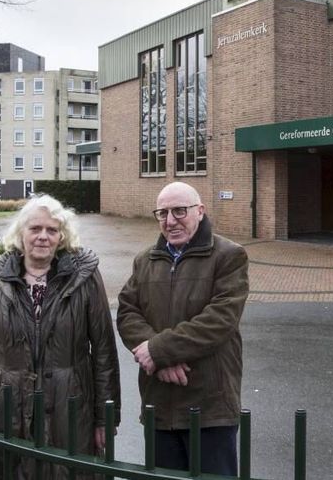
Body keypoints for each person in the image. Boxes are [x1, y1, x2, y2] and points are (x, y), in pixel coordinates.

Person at [0, 194, 120, 479]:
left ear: (62, 236)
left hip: (70, 411)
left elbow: (103, 353)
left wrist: (105, 420)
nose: (43, 237)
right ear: (20, 233)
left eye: (52, 230)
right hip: (8, 410)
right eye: (35, 229)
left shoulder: (84, 278)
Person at [117, 181, 249, 475]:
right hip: (159, 403)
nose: (170, 220)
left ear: (200, 211)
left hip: (209, 407)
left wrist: (158, 350)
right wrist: (155, 354)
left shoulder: (229, 255)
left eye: (179, 211)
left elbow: (220, 319)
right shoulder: (145, 260)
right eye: (162, 213)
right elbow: (127, 312)